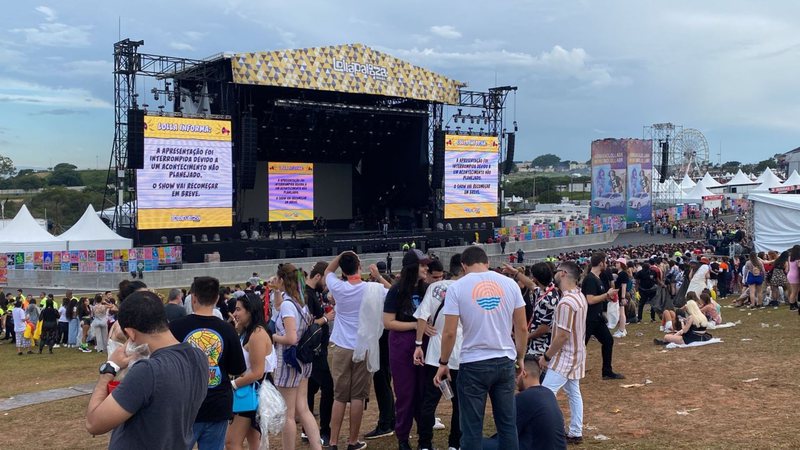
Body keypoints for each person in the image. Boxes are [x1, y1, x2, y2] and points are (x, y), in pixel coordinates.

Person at [85, 290, 209, 449]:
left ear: (130, 333)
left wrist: (109, 369)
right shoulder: (199, 357)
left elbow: (94, 423)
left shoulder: (148, 371)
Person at [436, 246, 528, 450]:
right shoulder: (510, 284)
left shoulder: (457, 287)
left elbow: (450, 332)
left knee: (471, 428)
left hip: (473, 363)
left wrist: (443, 362)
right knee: (507, 424)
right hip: (504, 360)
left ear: (463, 265)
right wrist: (520, 357)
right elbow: (521, 327)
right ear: (486, 262)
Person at [170, 276, 247, 450]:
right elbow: (238, 369)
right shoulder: (228, 329)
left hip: (185, 406)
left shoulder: (175, 328)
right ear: (217, 299)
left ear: (193, 298)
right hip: (217, 405)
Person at [326, 252, 388, 450]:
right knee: (357, 396)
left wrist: (342, 255)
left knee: (339, 396)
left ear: (343, 270)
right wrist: (378, 276)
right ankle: (353, 441)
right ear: (359, 266)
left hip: (341, 346)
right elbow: (395, 292)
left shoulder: (338, 287)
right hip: (363, 346)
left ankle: (333, 441)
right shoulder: (373, 288)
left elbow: (328, 271)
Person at [413, 254, 464, 450]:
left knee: (429, 401)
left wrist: (418, 344)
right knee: (459, 403)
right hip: (459, 352)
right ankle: (455, 444)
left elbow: (422, 317)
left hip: (436, 352)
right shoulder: (467, 288)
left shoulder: (435, 287)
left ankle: (424, 444)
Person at [271, 263, 323, 450]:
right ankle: (317, 446)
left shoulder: (288, 304)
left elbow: (291, 337)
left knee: (288, 414)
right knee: (303, 408)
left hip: (289, 361)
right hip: (303, 359)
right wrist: (277, 290)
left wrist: (273, 337)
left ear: (283, 279)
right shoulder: (299, 300)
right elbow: (279, 305)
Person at [383, 249, 431, 450]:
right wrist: (415, 326)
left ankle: (424, 437)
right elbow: (388, 322)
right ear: (412, 267)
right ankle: (403, 437)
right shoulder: (396, 290)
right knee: (405, 392)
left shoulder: (426, 289)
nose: (426, 268)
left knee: (424, 392)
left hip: (424, 344)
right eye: (422, 265)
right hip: (401, 344)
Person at [538, 261, 587, 445]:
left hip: (565, 355)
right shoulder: (578, 296)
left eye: (557, 270)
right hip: (577, 352)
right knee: (573, 392)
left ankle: (551, 432)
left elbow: (562, 336)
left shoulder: (566, 302)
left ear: (564, 273)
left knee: (545, 393)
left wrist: (546, 356)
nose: (555, 273)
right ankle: (575, 431)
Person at [483, 355, 567, 450]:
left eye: (515, 376)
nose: (514, 380)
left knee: (474, 443)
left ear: (523, 373)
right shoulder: (548, 393)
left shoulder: (525, 397)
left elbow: (507, 435)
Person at [226, 292, 272, 450]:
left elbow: (257, 372)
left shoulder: (257, 335)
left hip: (249, 392)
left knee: (231, 442)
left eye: (238, 310)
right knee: (254, 440)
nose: (235, 313)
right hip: (248, 391)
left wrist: (232, 384)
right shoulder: (248, 332)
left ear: (250, 310)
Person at [304, 262, 337, 446]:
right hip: (315, 353)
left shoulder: (311, 293)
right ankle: (324, 431)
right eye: (325, 281)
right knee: (328, 389)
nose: (326, 286)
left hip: (318, 351)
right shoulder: (307, 296)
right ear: (318, 277)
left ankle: (307, 430)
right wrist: (326, 318)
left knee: (309, 390)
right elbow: (307, 324)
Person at [581, 253, 625, 380]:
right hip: (589, 319)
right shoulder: (590, 279)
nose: (606, 264)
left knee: (608, 341)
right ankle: (570, 371)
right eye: (605, 262)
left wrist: (608, 296)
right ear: (601, 263)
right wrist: (607, 295)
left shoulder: (597, 278)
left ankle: (607, 371)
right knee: (581, 345)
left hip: (597, 318)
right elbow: (590, 299)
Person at [788, 245, 800, 311]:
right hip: (795, 275)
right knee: (794, 292)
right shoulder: (798, 259)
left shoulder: (790, 257)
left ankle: (794, 304)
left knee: (795, 291)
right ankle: (792, 306)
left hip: (790, 274)